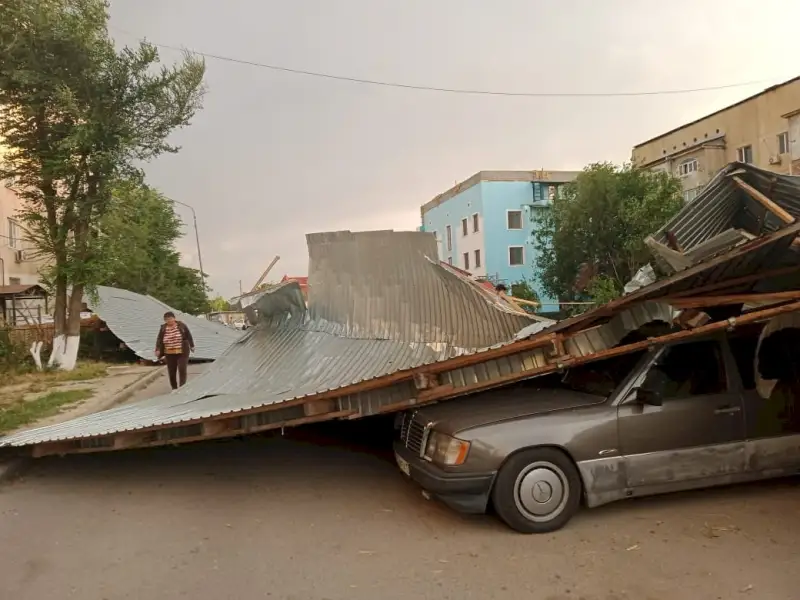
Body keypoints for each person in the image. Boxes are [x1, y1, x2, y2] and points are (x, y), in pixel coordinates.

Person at [155, 311, 195, 390]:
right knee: (172, 371)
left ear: (174, 318)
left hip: (182, 351)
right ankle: (174, 388)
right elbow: (159, 339)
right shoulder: (163, 328)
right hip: (169, 353)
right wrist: (158, 349)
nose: (169, 321)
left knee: (182, 369)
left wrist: (192, 345)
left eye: (170, 319)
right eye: (166, 319)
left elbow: (188, 335)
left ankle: (182, 388)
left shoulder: (181, 325)